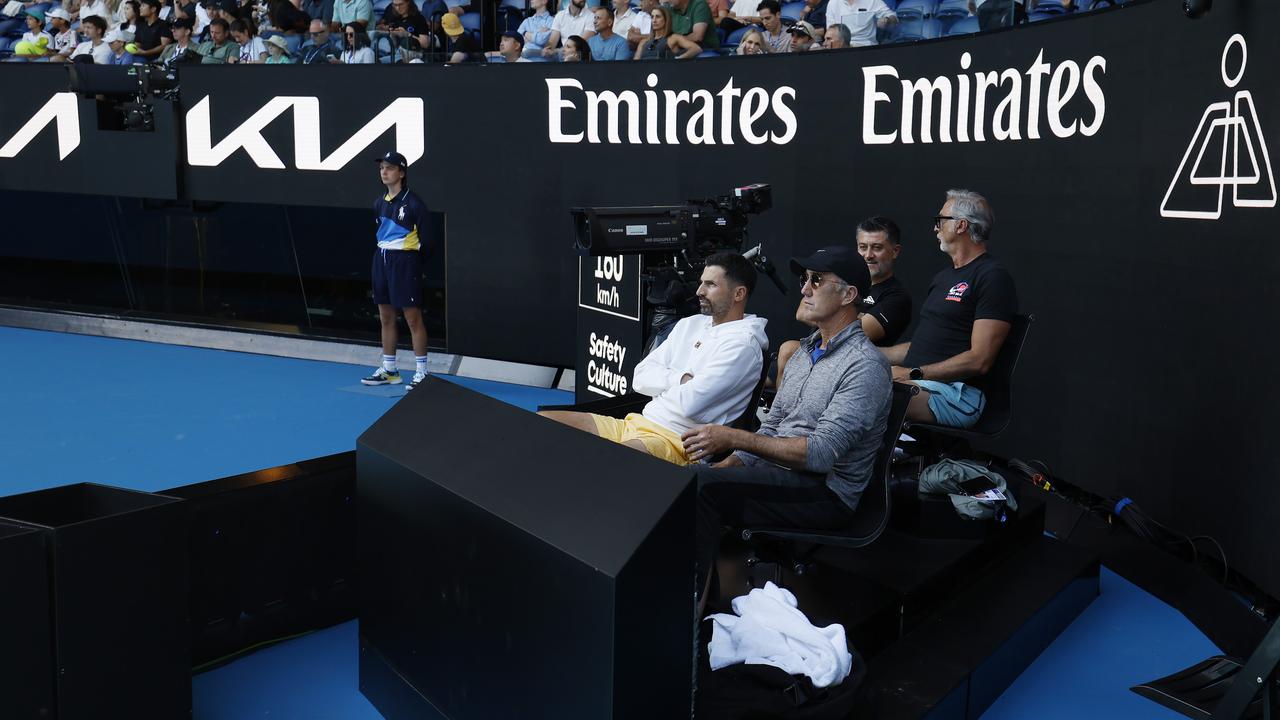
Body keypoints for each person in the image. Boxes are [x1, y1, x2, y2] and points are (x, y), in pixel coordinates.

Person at [683, 245, 891, 615]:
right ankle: (688, 599)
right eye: (803, 280)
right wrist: (725, 465)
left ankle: (684, 621)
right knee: (687, 481)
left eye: (816, 280)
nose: (804, 289)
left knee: (699, 488)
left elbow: (821, 454)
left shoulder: (866, 366)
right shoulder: (802, 351)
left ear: (848, 295)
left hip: (826, 494)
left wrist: (732, 437)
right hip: (780, 475)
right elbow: (774, 425)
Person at [540, 252, 769, 466]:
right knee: (539, 423)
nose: (699, 291)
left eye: (711, 284)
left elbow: (690, 406)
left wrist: (662, 384)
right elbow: (640, 377)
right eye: (701, 282)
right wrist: (681, 379)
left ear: (739, 294)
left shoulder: (743, 345)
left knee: (600, 461)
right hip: (634, 423)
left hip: (677, 444)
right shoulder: (690, 323)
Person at [881, 190, 1017, 428]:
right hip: (918, 384)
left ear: (961, 225)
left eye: (940, 220)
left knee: (866, 393)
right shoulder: (943, 277)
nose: (935, 228)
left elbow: (979, 360)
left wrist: (912, 373)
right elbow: (920, 347)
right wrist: (861, 351)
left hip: (958, 395)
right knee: (842, 374)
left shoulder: (992, 277)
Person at [776, 216, 913, 389]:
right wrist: (847, 314)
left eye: (877, 248)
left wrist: (827, 312)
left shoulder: (896, 296)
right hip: (816, 349)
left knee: (789, 350)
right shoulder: (845, 278)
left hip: (850, 367)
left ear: (895, 251)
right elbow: (802, 313)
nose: (868, 255)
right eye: (863, 247)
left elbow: (850, 332)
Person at [361, 151, 433, 389]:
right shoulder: (378, 203)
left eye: (390, 168)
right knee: (385, 316)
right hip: (381, 258)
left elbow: (428, 241)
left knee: (412, 318)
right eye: (382, 167)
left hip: (405, 261)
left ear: (401, 173)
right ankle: (390, 370)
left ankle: (422, 372)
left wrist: (412, 263)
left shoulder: (414, 203)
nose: (384, 172)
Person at [826, 0, 894, 47]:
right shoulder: (833, 3)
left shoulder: (872, 1)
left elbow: (893, 16)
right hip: (842, 47)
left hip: (865, 47)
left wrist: (887, 19)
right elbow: (830, 31)